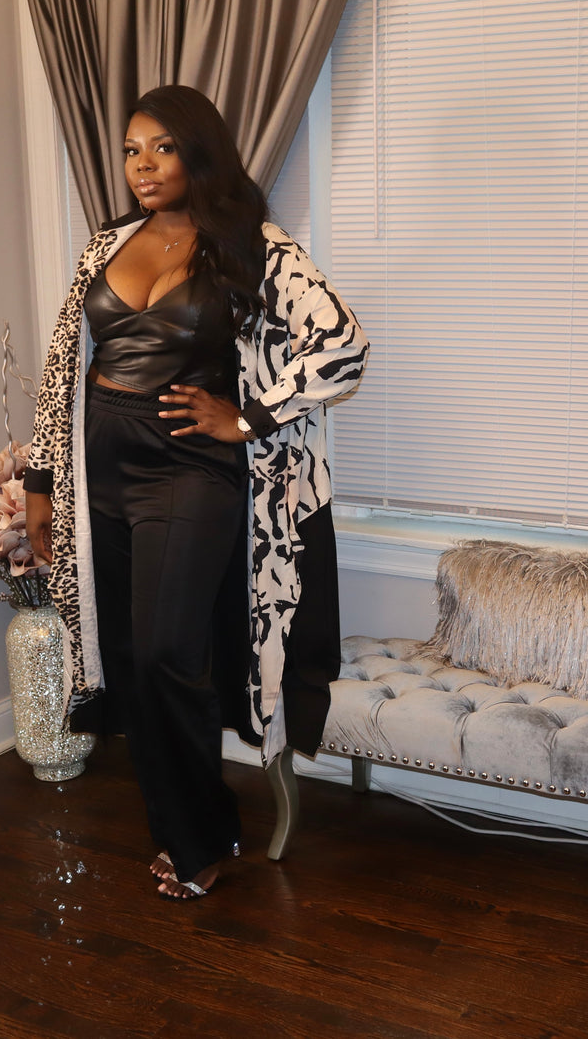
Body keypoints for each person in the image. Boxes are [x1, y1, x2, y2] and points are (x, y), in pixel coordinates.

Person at [25, 85, 368, 901]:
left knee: (170, 651)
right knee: (131, 657)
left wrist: (248, 417)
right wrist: (41, 482)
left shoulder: (254, 245)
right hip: (100, 464)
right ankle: (191, 823)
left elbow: (342, 346)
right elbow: (62, 362)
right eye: (131, 150)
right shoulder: (107, 244)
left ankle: (200, 840)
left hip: (187, 467)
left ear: (199, 151)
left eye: (163, 147)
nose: (142, 166)